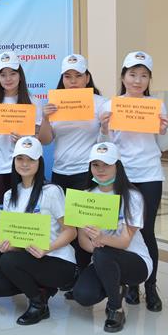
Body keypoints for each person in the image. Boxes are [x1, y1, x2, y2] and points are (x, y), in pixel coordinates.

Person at [98, 51, 168, 312]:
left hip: (149, 174)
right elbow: (104, 148)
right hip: (122, 177)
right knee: (119, 229)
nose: (137, 80)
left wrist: (163, 131)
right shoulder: (111, 105)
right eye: (132, 74)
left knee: (146, 230)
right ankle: (130, 284)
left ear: (149, 79)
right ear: (123, 77)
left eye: (143, 75)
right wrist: (104, 129)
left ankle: (151, 286)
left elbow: (165, 145)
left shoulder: (156, 106)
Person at [0, 136, 77, 325]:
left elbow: (71, 231)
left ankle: (38, 303)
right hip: (30, 258)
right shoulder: (10, 195)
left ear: (39, 162)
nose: (25, 164)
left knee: (8, 261)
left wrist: (46, 248)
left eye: (30, 159)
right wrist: (5, 244)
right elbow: (15, 238)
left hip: (57, 259)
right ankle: (43, 290)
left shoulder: (51, 191)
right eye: (20, 158)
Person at [38, 53, 106, 294]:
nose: (73, 81)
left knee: (85, 226)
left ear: (87, 77)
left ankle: (86, 273)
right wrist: (45, 118)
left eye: (78, 75)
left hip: (86, 172)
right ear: (62, 79)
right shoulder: (54, 103)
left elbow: (107, 140)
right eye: (68, 76)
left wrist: (106, 125)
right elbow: (45, 140)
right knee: (65, 224)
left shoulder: (100, 103)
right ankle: (71, 274)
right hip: (61, 171)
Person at [73, 142, 153, 333]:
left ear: (118, 166)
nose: (100, 169)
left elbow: (125, 242)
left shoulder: (132, 196)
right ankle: (116, 286)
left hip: (135, 261)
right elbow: (83, 241)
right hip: (102, 258)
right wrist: (99, 252)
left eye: (106, 165)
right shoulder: (85, 196)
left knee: (104, 253)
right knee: (83, 295)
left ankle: (115, 308)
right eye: (95, 165)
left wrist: (102, 240)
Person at [0, 51, 43, 205]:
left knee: (25, 211)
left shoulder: (33, 103)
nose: (8, 79)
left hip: (26, 168)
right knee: (1, 213)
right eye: (3, 75)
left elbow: (39, 138)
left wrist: (25, 140)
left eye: (12, 73)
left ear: (20, 75)